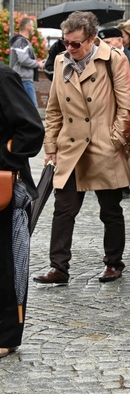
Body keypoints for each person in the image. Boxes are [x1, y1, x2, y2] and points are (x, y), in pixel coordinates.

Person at [33, 11, 130, 285]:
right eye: (65, 42)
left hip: (104, 146)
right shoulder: (60, 61)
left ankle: (113, 263)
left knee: (110, 210)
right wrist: (51, 146)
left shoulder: (114, 59)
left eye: (75, 43)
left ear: (92, 39)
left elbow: (127, 105)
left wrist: (115, 138)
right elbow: (53, 108)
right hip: (70, 147)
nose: (69, 47)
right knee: (63, 209)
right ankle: (58, 267)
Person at [0, 66, 45, 359]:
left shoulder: (2, 77)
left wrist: (3, 153)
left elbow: (32, 129)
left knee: (6, 263)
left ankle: (6, 336)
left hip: (4, 189)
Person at [98, 26, 130, 199]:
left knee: (127, 148)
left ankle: (125, 184)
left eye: (109, 42)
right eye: (103, 42)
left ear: (120, 40)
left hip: (125, 111)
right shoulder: (100, 57)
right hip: (103, 112)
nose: (105, 45)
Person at [9, 17, 42, 107]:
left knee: (22, 107)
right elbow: (23, 59)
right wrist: (38, 64)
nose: (33, 29)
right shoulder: (21, 41)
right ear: (27, 27)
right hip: (24, 79)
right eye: (32, 26)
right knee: (32, 107)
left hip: (21, 78)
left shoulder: (19, 41)